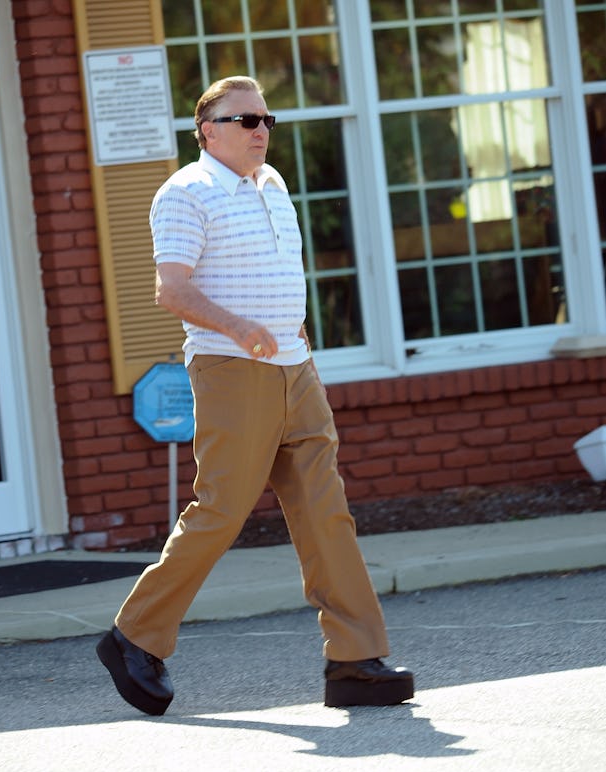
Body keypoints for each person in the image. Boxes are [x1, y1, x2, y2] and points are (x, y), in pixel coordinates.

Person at [96, 75, 414, 714]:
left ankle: (354, 658)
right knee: (220, 512)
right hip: (231, 371)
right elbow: (172, 290)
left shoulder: (273, 187)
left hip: (296, 371)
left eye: (267, 120)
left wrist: (296, 344)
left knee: (327, 513)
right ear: (208, 130)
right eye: (245, 120)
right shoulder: (185, 192)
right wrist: (240, 327)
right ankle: (134, 636)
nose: (260, 130)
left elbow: (278, 280)